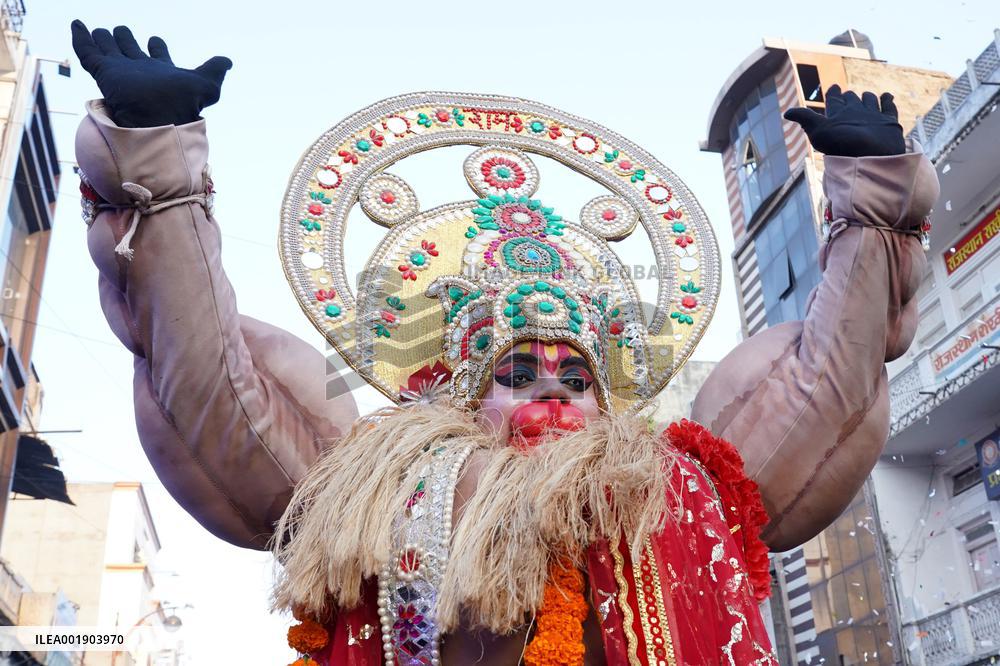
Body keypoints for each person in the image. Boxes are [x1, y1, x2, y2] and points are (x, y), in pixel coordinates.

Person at [70, 19, 938, 665]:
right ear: (463, 393)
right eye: (518, 372)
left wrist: (871, 213)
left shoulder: (676, 486)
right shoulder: (378, 485)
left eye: (576, 375)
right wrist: (157, 166)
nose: (553, 392)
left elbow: (826, 389)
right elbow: (216, 401)